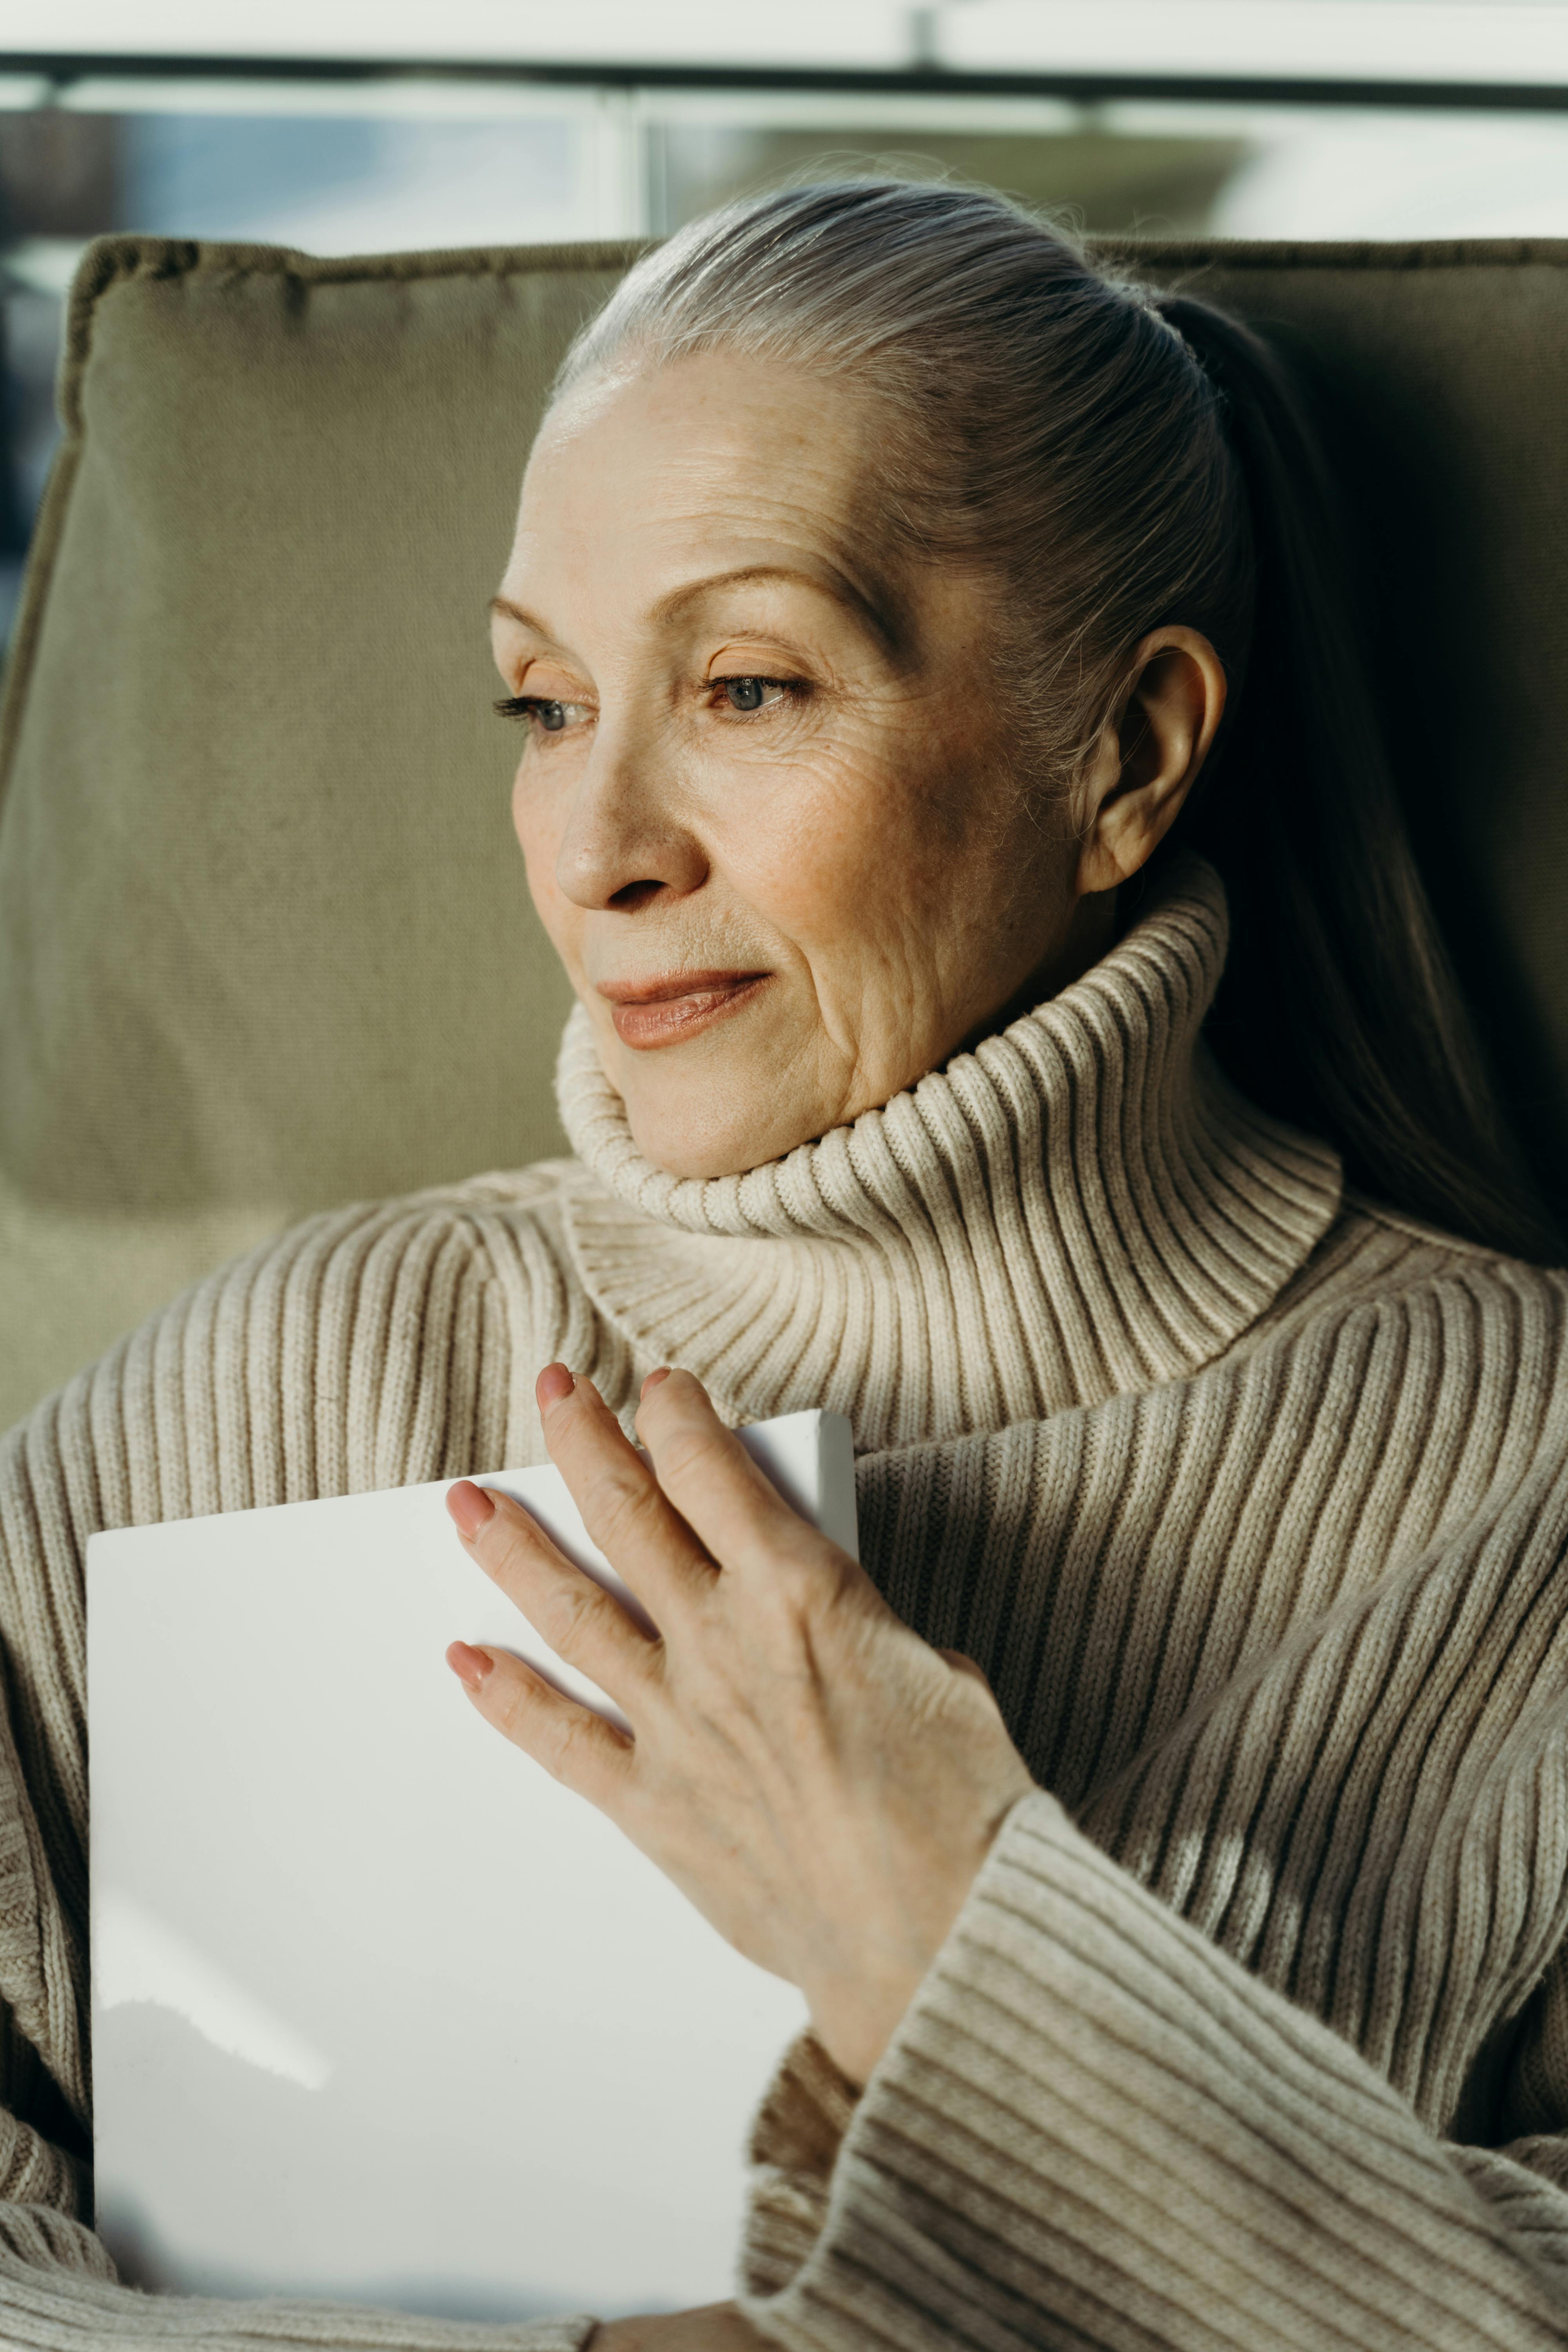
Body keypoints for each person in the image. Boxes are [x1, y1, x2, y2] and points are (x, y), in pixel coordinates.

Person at [2, 176, 1568, 2352]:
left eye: (745, 683)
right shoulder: (264, 1390)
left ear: (1123, 753)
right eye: (541, 705)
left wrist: (947, 1921)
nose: (598, 844)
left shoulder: (1533, 1491)